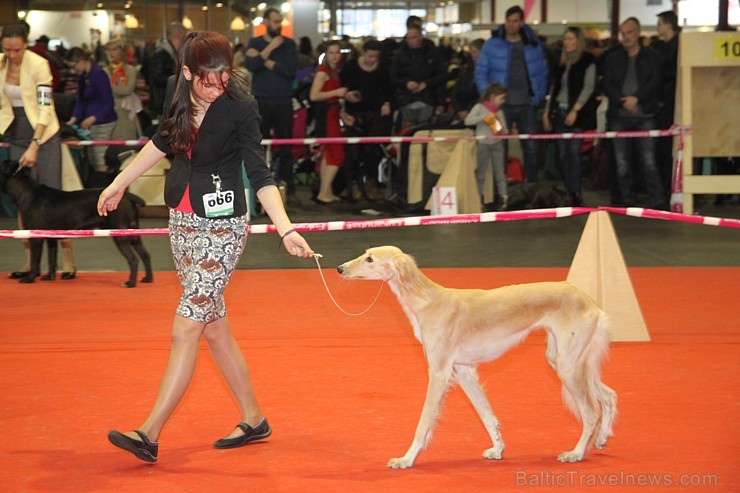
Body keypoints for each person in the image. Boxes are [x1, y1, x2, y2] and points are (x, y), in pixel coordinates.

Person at [99, 31, 314, 463]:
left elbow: (260, 171)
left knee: (185, 327)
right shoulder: (176, 93)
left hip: (223, 227)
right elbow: (163, 141)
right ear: (187, 73)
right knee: (213, 327)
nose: (217, 86)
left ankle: (149, 433)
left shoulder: (242, 106)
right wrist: (118, 184)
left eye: (223, 76)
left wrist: (287, 228)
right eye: (207, 79)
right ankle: (254, 419)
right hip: (182, 216)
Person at [0, 23, 76, 280]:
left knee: (54, 200)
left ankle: (68, 260)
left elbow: (45, 108)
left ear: (26, 44)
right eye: (6, 49)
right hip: (15, 134)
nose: (11, 55)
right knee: (24, 202)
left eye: (17, 49)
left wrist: (35, 143)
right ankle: (30, 262)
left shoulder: (39, 64)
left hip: (44, 135)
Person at [475, 5, 549, 183]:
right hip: (500, 108)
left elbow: (543, 72)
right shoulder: (492, 44)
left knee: (530, 147)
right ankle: (500, 189)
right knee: (498, 146)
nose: (511, 24)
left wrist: (538, 97)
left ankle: (531, 185)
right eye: (508, 20)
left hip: (527, 105)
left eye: (515, 21)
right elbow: (480, 71)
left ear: (522, 23)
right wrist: (488, 100)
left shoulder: (533, 44)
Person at [601, 17, 666, 209]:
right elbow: (607, 83)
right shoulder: (613, 58)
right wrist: (623, 100)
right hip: (619, 116)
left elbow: (656, 81)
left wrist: (637, 99)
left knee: (649, 161)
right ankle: (626, 198)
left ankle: (658, 199)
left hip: (645, 115)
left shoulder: (653, 57)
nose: (626, 37)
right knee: (622, 163)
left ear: (637, 33)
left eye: (629, 32)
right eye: (623, 33)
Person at [245, 8, 299, 205]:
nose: (278, 25)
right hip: (261, 100)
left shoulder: (289, 44)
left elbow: (290, 71)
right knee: (259, 144)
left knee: (286, 145)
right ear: (266, 22)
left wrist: (262, 58)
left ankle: (289, 186)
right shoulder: (255, 42)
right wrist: (268, 50)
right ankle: (258, 190)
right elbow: (251, 66)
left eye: (280, 22)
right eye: (275, 21)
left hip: (284, 99)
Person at [542, 27, 597, 205]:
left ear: (578, 41)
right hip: (559, 111)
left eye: (571, 39)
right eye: (565, 39)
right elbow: (554, 89)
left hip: (577, 115)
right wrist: (546, 112)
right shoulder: (561, 63)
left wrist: (576, 110)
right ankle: (568, 189)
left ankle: (576, 192)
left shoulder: (588, 61)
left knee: (574, 153)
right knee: (563, 154)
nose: (567, 42)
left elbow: (588, 87)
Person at [340, 38, 393, 201]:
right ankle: (353, 186)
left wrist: (387, 103)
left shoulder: (383, 69)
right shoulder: (350, 67)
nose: (372, 60)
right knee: (353, 153)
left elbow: (388, 89)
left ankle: (371, 183)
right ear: (363, 53)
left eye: (375, 58)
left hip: (374, 114)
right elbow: (342, 88)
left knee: (373, 152)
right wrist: (345, 99)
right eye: (370, 56)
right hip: (353, 115)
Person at [64, 47, 118, 173]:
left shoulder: (99, 74)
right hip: (89, 123)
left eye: (74, 66)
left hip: (104, 121)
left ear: (82, 60)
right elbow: (81, 100)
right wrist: (73, 119)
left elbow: (109, 102)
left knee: (99, 156)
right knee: (92, 157)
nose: (73, 70)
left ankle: (104, 182)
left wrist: (94, 118)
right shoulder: (82, 76)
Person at [309, 40, 347, 204]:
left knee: (329, 154)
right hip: (327, 115)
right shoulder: (323, 72)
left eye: (337, 52)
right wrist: (337, 92)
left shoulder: (333, 71)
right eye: (331, 53)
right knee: (336, 154)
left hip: (332, 113)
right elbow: (314, 95)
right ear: (325, 55)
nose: (335, 56)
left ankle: (326, 191)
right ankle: (324, 192)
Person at [389, 24, 448, 129]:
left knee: (425, 131)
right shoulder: (400, 55)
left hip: (428, 99)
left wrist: (427, 83)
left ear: (421, 37)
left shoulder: (433, 54)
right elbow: (392, 77)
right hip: (406, 100)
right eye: (408, 38)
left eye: (414, 37)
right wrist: (406, 83)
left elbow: (442, 76)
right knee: (407, 131)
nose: (410, 40)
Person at [465, 83, 509, 210]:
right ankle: (479, 199)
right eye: (501, 98)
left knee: (500, 173)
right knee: (481, 173)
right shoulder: (479, 107)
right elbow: (468, 121)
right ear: (493, 96)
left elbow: (505, 130)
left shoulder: (499, 112)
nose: (503, 101)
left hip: (497, 145)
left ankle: (504, 198)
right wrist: (484, 117)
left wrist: (500, 130)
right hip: (483, 144)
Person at [654, 10, 680, 198]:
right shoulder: (662, 47)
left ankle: (672, 186)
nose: (658, 27)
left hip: (673, 104)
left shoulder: (678, 47)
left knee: (672, 147)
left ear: (667, 25)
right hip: (663, 104)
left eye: (659, 24)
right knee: (663, 148)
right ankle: (666, 186)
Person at [142, 22, 187, 120]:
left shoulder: (171, 53)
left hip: (169, 102)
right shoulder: (160, 54)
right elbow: (156, 78)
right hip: (162, 103)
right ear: (179, 35)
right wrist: (180, 77)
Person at [103, 39, 142, 140]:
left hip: (127, 112)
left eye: (114, 50)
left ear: (122, 51)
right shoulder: (103, 71)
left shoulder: (130, 70)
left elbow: (128, 90)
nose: (111, 53)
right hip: (109, 111)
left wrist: (109, 88)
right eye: (108, 50)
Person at [450, 38, 485, 123]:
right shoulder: (466, 71)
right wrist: (459, 110)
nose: (473, 55)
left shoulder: (490, 73)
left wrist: (469, 111)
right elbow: (455, 92)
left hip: (481, 115)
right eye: (471, 52)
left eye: (475, 52)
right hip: (463, 113)